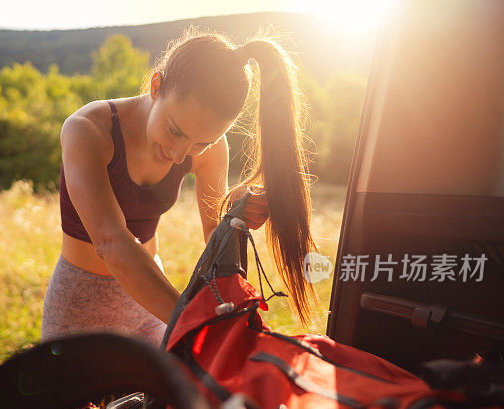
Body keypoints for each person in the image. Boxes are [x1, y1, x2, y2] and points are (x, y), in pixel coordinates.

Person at [41, 29, 319, 348]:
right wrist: (190, 318)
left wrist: (236, 211)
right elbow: (111, 242)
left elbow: (213, 230)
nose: (178, 155)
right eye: (175, 131)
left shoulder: (211, 150)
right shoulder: (87, 130)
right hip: (79, 309)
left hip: (150, 307)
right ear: (156, 86)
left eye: (201, 143)